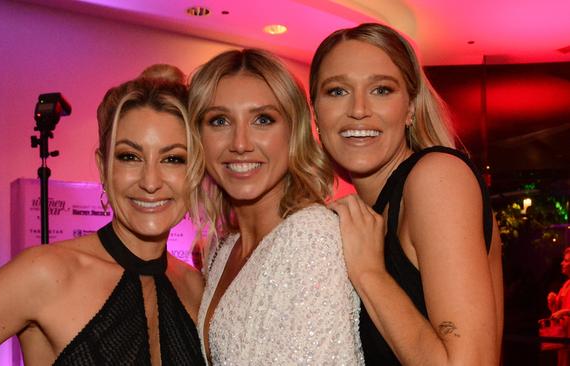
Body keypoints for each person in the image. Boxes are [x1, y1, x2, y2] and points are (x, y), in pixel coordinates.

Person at [0, 65, 205, 365]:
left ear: (194, 171)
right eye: (129, 157)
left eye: (173, 159)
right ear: (103, 167)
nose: (150, 181)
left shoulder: (195, 288)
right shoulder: (45, 273)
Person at [309, 23, 503, 365]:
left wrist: (370, 274)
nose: (358, 109)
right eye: (337, 91)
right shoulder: (367, 213)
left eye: (381, 90)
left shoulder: (436, 177)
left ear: (411, 107)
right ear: (316, 113)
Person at [188, 48, 365, 365]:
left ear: (293, 132)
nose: (240, 143)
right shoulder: (223, 248)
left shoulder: (310, 236)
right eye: (219, 120)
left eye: (263, 120)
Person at [545, 247, 570, 364]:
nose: (562, 263)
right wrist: (553, 302)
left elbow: (562, 312)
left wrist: (563, 312)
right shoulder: (566, 284)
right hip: (563, 336)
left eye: (566, 261)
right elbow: (555, 312)